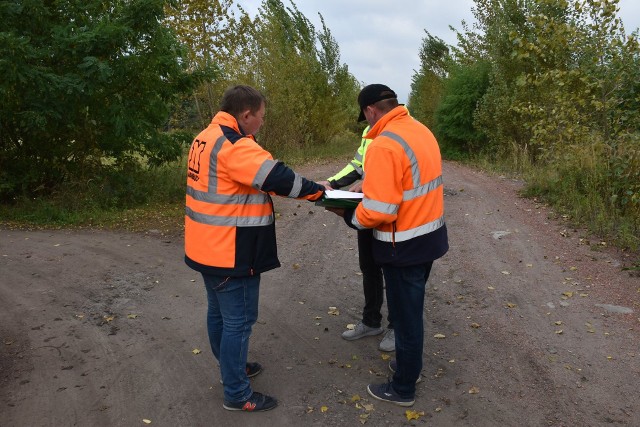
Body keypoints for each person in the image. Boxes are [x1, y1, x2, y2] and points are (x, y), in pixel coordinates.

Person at [184, 85, 325, 412]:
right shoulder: (235, 146)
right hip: (231, 252)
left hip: (205, 248)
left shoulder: (206, 136)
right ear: (245, 115)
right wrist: (320, 192)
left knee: (218, 314)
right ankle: (236, 393)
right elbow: (279, 178)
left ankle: (230, 369)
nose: (261, 123)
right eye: (260, 118)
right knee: (239, 321)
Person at [328, 84, 448, 407]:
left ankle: (403, 388)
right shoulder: (420, 131)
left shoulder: (383, 144)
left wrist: (347, 214)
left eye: (365, 117)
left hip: (403, 245)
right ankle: (411, 367)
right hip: (429, 238)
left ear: (370, 111)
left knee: (407, 321)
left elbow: (381, 210)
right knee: (411, 315)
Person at [318, 127, 395, 352]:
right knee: (369, 266)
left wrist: (370, 182)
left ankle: (396, 327)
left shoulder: (402, 130)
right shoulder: (370, 130)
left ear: (372, 109)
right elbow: (357, 165)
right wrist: (330, 182)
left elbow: (396, 172)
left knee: (392, 271)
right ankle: (371, 321)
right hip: (367, 207)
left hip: (392, 214)